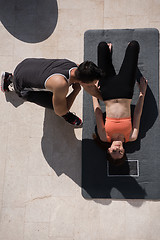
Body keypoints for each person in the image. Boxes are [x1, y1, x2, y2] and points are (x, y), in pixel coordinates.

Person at [92, 40, 148, 165]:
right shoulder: (131, 136)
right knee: (133, 45)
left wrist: (94, 92)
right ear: (124, 151)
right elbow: (137, 114)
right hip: (125, 90)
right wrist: (142, 93)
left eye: (114, 151)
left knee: (102, 46)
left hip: (107, 91)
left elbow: (98, 114)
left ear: (108, 149)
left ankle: (108, 55)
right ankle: (111, 59)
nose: (117, 148)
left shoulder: (103, 136)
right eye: (120, 152)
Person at [1, 58, 103, 126]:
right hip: (22, 87)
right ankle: (11, 84)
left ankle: (11, 77)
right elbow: (59, 111)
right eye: (92, 83)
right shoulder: (61, 84)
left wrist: (104, 98)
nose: (93, 85)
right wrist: (76, 91)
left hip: (24, 65)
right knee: (59, 106)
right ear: (81, 82)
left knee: (56, 94)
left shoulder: (74, 66)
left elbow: (89, 87)